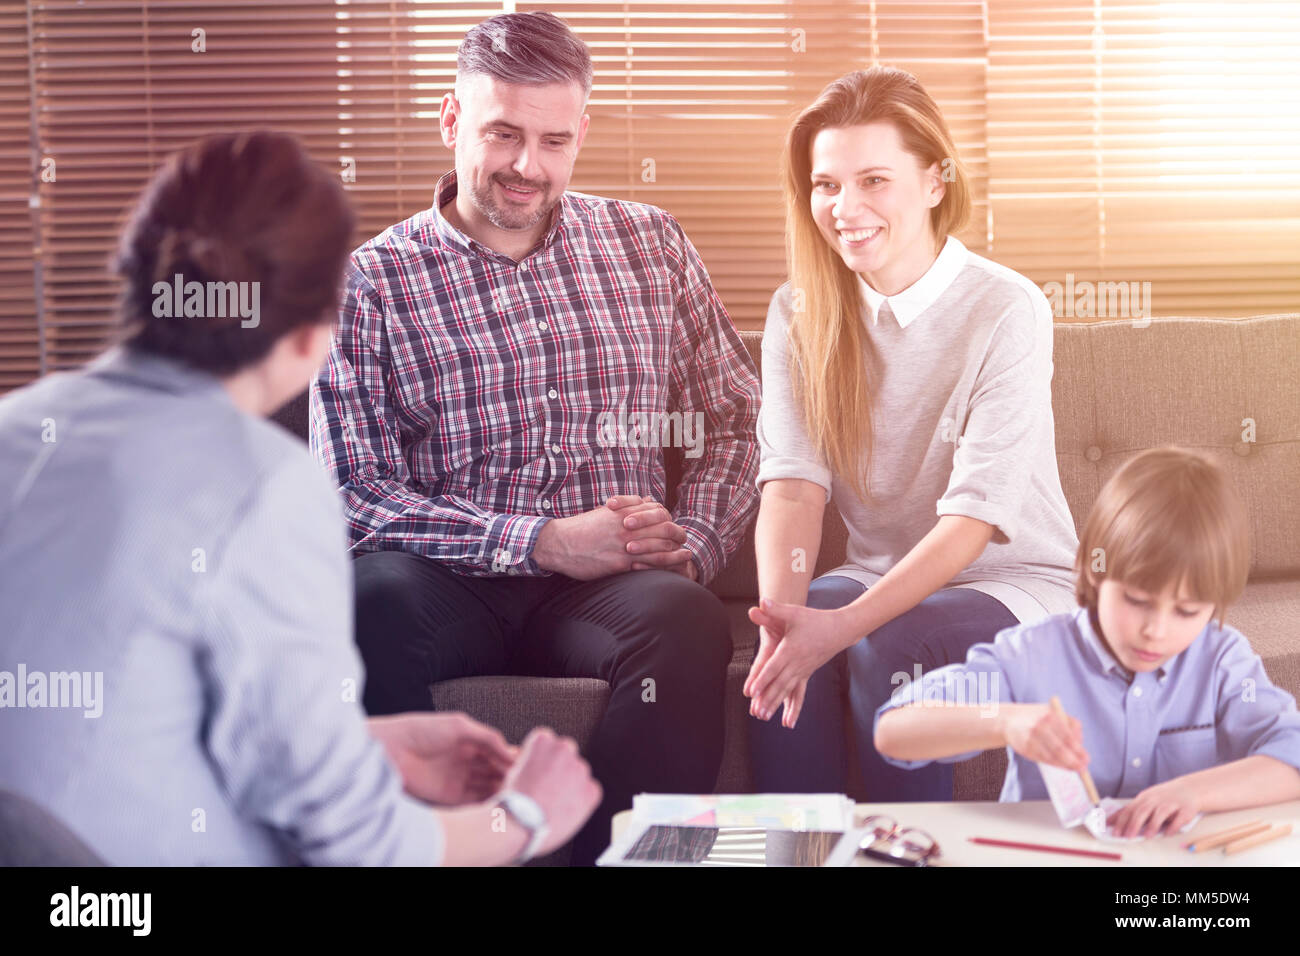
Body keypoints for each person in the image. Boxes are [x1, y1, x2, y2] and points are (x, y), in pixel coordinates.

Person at [0, 130, 600, 865]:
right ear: (320, 330)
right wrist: (527, 817)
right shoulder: (264, 488)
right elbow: (362, 849)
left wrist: (364, 749)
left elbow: (130, 726)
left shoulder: (18, 429)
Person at [309, 11, 760, 865]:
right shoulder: (370, 282)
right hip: (447, 580)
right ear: (451, 120)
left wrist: (693, 544)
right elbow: (351, 495)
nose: (527, 166)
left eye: (554, 140)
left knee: (687, 620)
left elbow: (736, 418)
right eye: (503, 134)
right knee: (367, 602)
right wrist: (543, 542)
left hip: (613, 589)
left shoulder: (649, 246)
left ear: (582, 132)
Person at [744, 66, 1080, 802]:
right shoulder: (799, 311)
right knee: (776, 663)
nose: (844, 206)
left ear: (934, 181)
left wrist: (838, 628)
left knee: (887, 643)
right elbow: (795, 486)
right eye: (826, 184)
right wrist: (784, 621)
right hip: (880, 572)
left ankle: (909, 855)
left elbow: (975, 517)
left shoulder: (1006, 308)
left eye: (873, 180)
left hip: (1016, 581)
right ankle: (805, 856)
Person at [874, 447, 1300, 837]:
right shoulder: (1033, 655)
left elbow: (1291, 756)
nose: (1156, 630)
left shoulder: (1223, 661)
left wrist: (1192, 792)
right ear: (1092, 571)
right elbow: (894, 730)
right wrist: (1005, 720)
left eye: (1188, 612)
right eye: (1136, 600)